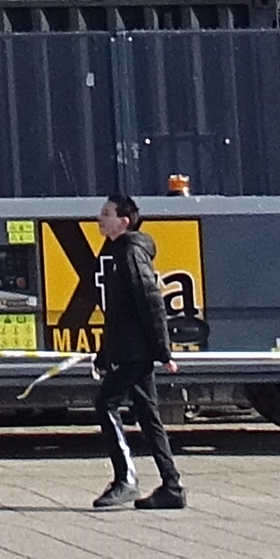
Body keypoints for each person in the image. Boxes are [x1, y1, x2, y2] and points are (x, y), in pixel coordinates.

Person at [78, 192, 188, 511]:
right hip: (129, 350)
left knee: (106, 404)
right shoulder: (117, 252)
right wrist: (104, 353)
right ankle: (172, 486)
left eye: (106, 213)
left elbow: (150, 301)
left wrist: (164, 352)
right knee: (148, 415)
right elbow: (117, 312)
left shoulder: (130, 253)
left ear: (123, 222)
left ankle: (125, 479)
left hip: (135, 352)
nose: (99, 218)